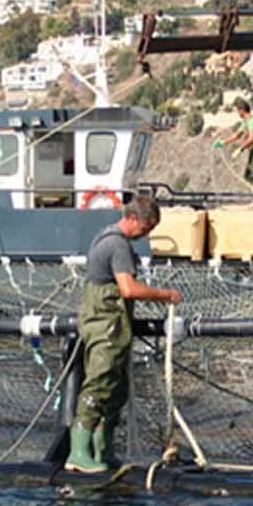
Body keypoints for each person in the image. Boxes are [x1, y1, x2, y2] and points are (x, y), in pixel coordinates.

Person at [67, 195, 183, 474]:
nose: (147, 233)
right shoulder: (116, 245)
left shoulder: (107, 238)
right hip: (105, 325)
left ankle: (103, 450)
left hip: (115, 326)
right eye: (146, 226)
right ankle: (78, 452)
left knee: (116, 390)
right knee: (99, 384)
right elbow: (128, 289)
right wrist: (165, 295)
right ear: (132, 219)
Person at [215, 98, 253, 211]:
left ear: (242, 110)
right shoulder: (245, 122)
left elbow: (251, 138)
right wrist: (223, 142)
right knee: (248, 175)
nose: (237, 113)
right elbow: (237, 135)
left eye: (238, 110)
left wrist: (240, 150)